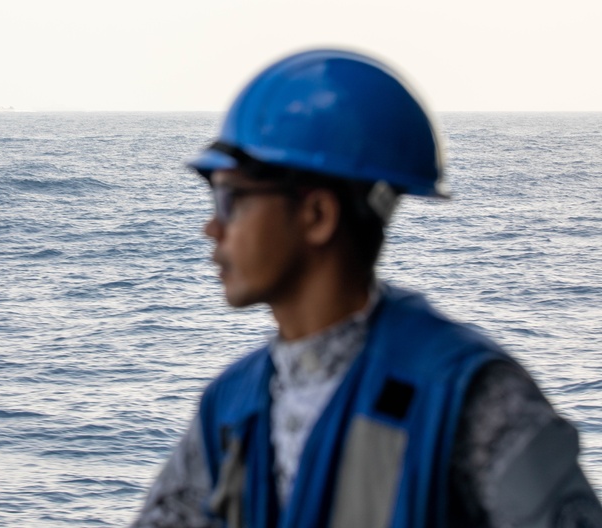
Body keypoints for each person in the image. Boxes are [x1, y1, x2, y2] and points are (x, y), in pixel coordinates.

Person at [131, 49, 602, 528]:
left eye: (231, 199)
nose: (212, 227)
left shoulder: (467, 395)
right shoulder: (232, 408)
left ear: (317, 216)